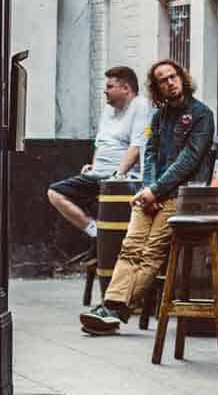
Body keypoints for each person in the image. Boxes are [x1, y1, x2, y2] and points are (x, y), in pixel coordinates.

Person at [78, 59, 216, 335]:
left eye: (173, 76)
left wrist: (157, 189)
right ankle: (112, 304)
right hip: (152, 193)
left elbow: (189, 159)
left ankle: (115, 310)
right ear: (157, 87)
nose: (170, 83)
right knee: (131, 246)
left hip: (180, 195)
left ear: (182, 78)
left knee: (151, 251)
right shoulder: (158, 117)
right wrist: (149, 188)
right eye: (162, 80)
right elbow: (149, 153)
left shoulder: (201, 114)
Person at [46, 65, 151, 263]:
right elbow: (100, 143)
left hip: (122, 179)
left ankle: (105, 245)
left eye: (110, 86)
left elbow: (136, 147)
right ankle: (97, 233)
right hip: (98, 175)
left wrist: (117, 175)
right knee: (55, 193)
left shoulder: (140, 106)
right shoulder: (108, 110)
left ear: (126, 89)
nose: (105, 90)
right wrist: (93, 167)